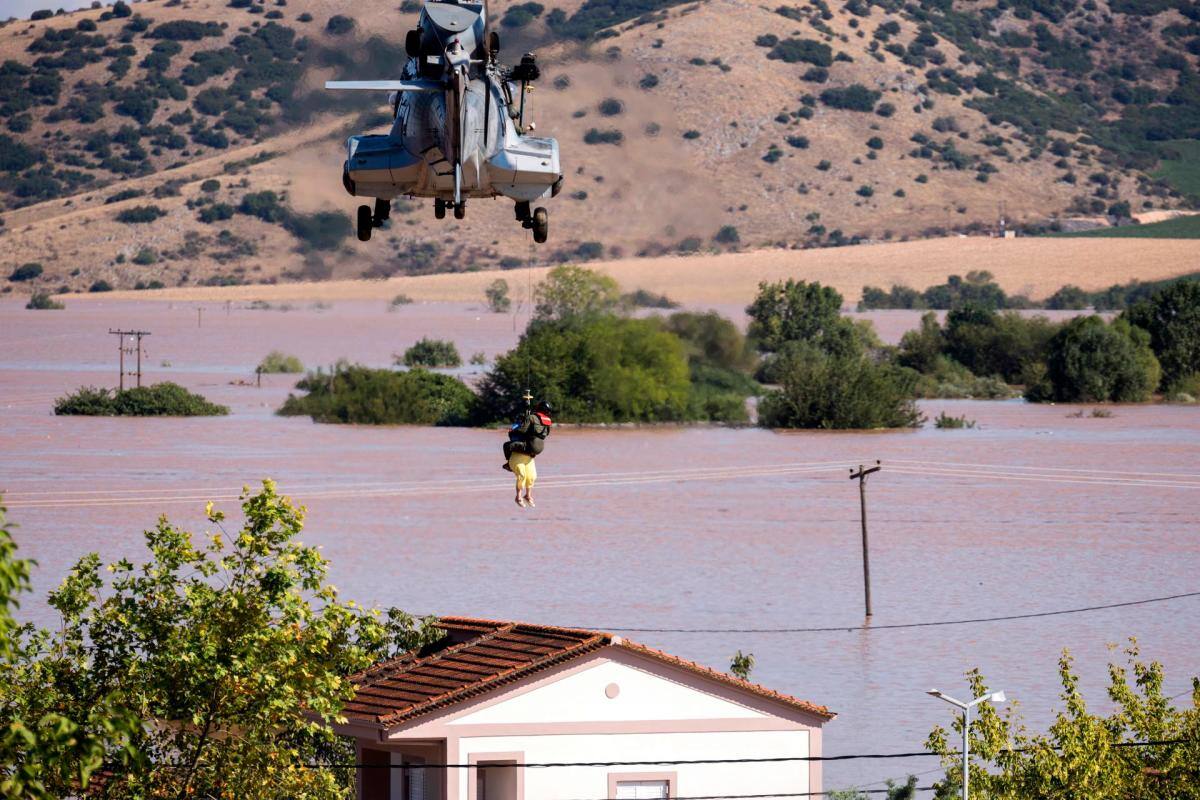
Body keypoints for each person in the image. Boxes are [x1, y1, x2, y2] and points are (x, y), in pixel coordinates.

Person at [503, 401, 552, 507]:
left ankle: (508, 463)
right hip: (539, 448)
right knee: (531, 477)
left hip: (530, 445)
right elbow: (546, 433)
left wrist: (513, 431)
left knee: (507, 445)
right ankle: (528, 495)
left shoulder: (531, 417)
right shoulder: (547, 421)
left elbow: (523, 430)